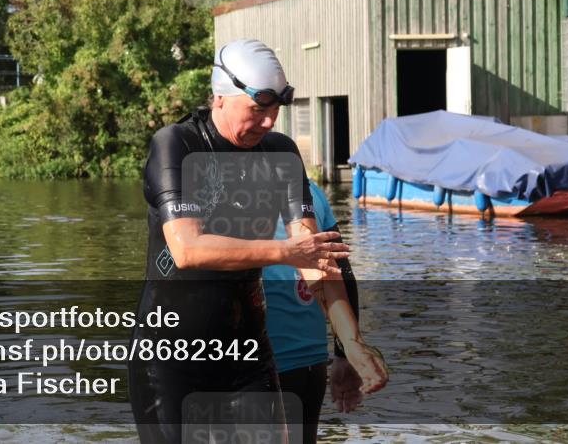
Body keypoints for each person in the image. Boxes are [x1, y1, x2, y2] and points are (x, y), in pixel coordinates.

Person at [129, 38, 386, 444]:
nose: (269, 122)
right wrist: (286, 252)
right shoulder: (177, 144)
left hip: (248, 353)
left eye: (275, 110)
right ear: (220, 97)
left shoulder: (281, 154)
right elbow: (187, 249)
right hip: (171, 357)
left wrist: (351, 345)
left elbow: (314, 255)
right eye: (258, 109)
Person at [264, 180, 381, 444]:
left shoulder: (226, 194)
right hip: (311, 361)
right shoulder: (310, 190)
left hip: (265, 361)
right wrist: (343, 354)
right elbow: (343, 271)